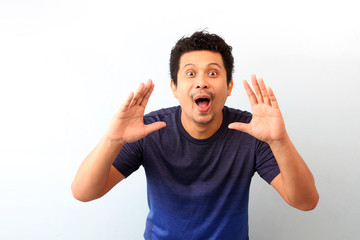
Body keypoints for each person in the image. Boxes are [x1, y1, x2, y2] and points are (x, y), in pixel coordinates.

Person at [71, 31, 319, 239]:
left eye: (212, 73)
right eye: (190, 74)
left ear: (229, 86)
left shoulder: (252, 131)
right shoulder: (148, 130)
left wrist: (280, 141)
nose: (202, 82)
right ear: (174, 88)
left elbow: (305, 201)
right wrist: (113, 140)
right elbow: (84, 192)